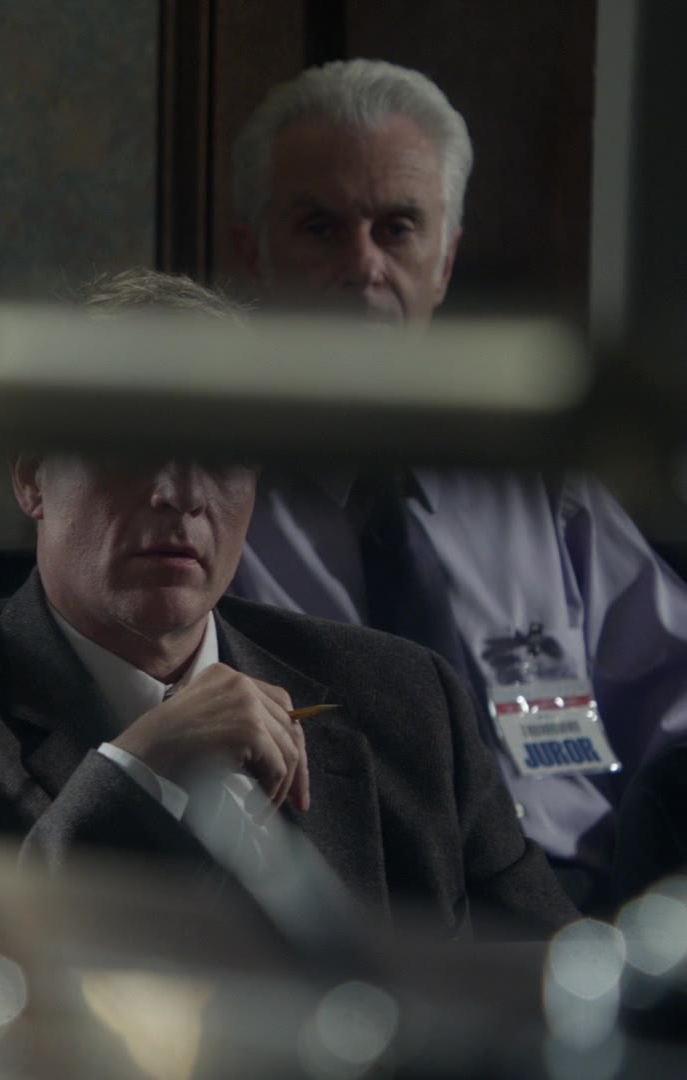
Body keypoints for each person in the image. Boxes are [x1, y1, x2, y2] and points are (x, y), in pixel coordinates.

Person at [0, 271, 578, 940]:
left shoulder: (409, 703)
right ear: (33, 476)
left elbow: (555, 987)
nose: (181, 494)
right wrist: (137, 773)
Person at [225, 58, 687, 909]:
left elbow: (674, 698)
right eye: (321, 227)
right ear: (254, 255)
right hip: (351, 922)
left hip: (586, 903)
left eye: (398, 227)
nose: (363, 264)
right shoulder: (207, 500)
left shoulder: (537, 476)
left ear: (444, 261)